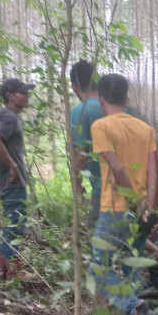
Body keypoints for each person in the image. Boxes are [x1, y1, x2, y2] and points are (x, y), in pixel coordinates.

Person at [90, 73, 158, 315]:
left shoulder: (101, 126)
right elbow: (153, 173)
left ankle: (135, 308)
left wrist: (131, 202)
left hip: (117, 210)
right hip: (141, 210)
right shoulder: (146, 129)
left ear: (100, 98)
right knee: (132, 266)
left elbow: (117, 168)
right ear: (126, 98)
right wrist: (147, 210)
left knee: (98, 267)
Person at [0, 78, 36, 280]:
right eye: (22, 92)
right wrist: (12, 165)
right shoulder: (9, 117)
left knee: (11, 224)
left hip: (1, 182)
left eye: (27, 92)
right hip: (12, 183)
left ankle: (4, 270)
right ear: (10, 95)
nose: (27, 95)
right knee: (16, 225)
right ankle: (15, 272)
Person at [69, 59, 103, 229]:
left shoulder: (79, 111)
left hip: (103, 189)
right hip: (131, 184)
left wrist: (77, 182)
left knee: (99, 242)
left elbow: (80, 157)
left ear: (74, 87)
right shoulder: (115, 107)